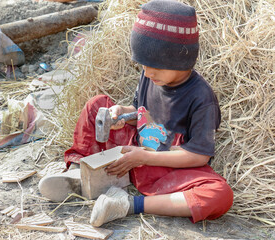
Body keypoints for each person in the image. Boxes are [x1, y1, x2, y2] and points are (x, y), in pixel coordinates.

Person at [39, 0, 233, 227]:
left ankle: (127, 204)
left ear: (181, 59)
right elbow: (139, 110)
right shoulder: (151, 74)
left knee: (220, 194)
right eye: (143, 65)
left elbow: (199, 156)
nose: (148, 73)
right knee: (96, 104)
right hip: (130, 154)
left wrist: (145, 157)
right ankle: (79, 172)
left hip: (165, 167)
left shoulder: (202, 98)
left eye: (156, 68)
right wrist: (121, 114)